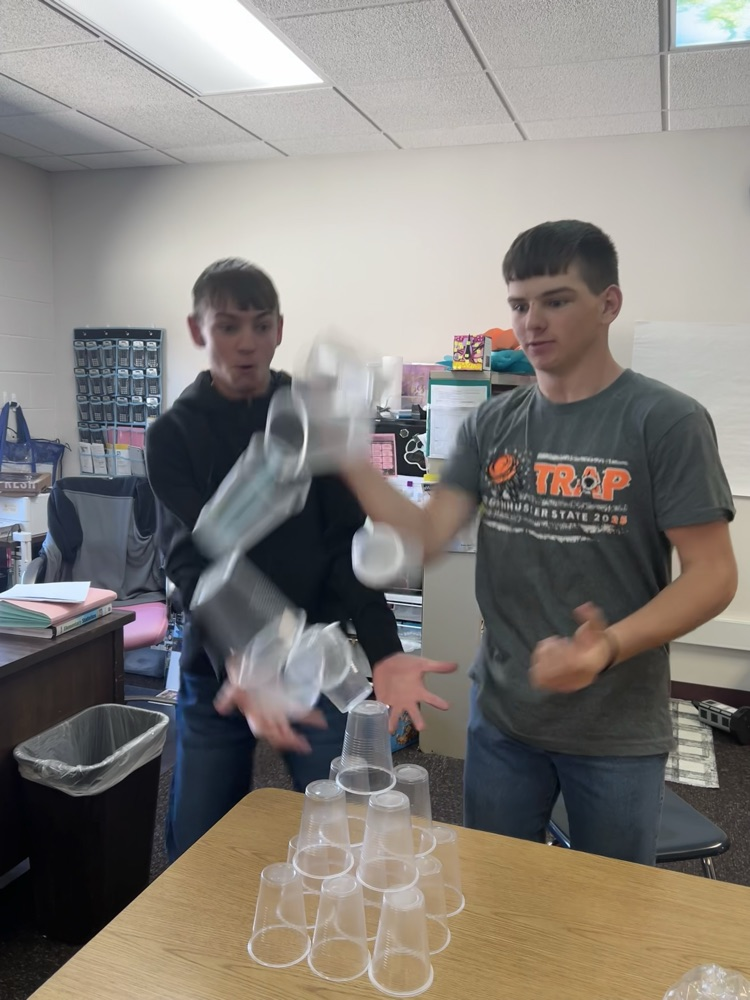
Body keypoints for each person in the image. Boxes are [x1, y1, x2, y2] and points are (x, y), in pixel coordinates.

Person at [343, 220, 738, 865]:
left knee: (606, 907)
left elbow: (713, 575)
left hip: (615, 724)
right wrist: (350, 460)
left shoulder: (666, 421)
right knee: (496, 891)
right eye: (519, 305)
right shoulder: (493, 422)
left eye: (556, 300)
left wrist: (606, 645)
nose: (533, 323)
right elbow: (427, 534)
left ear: (609, 304)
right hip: (502, 717)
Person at [146, 258, 451, 862]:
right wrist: (241, 663)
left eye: (260, 326)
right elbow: (192, 566)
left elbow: (346, 543)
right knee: (200, 839)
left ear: (280, 329)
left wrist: (387, 651)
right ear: (196, 329)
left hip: (313, 656)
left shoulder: (313, 418)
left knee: (352, 823)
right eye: (228, 326)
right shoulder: (172, 434)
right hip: (222, 665)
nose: (246, 344)